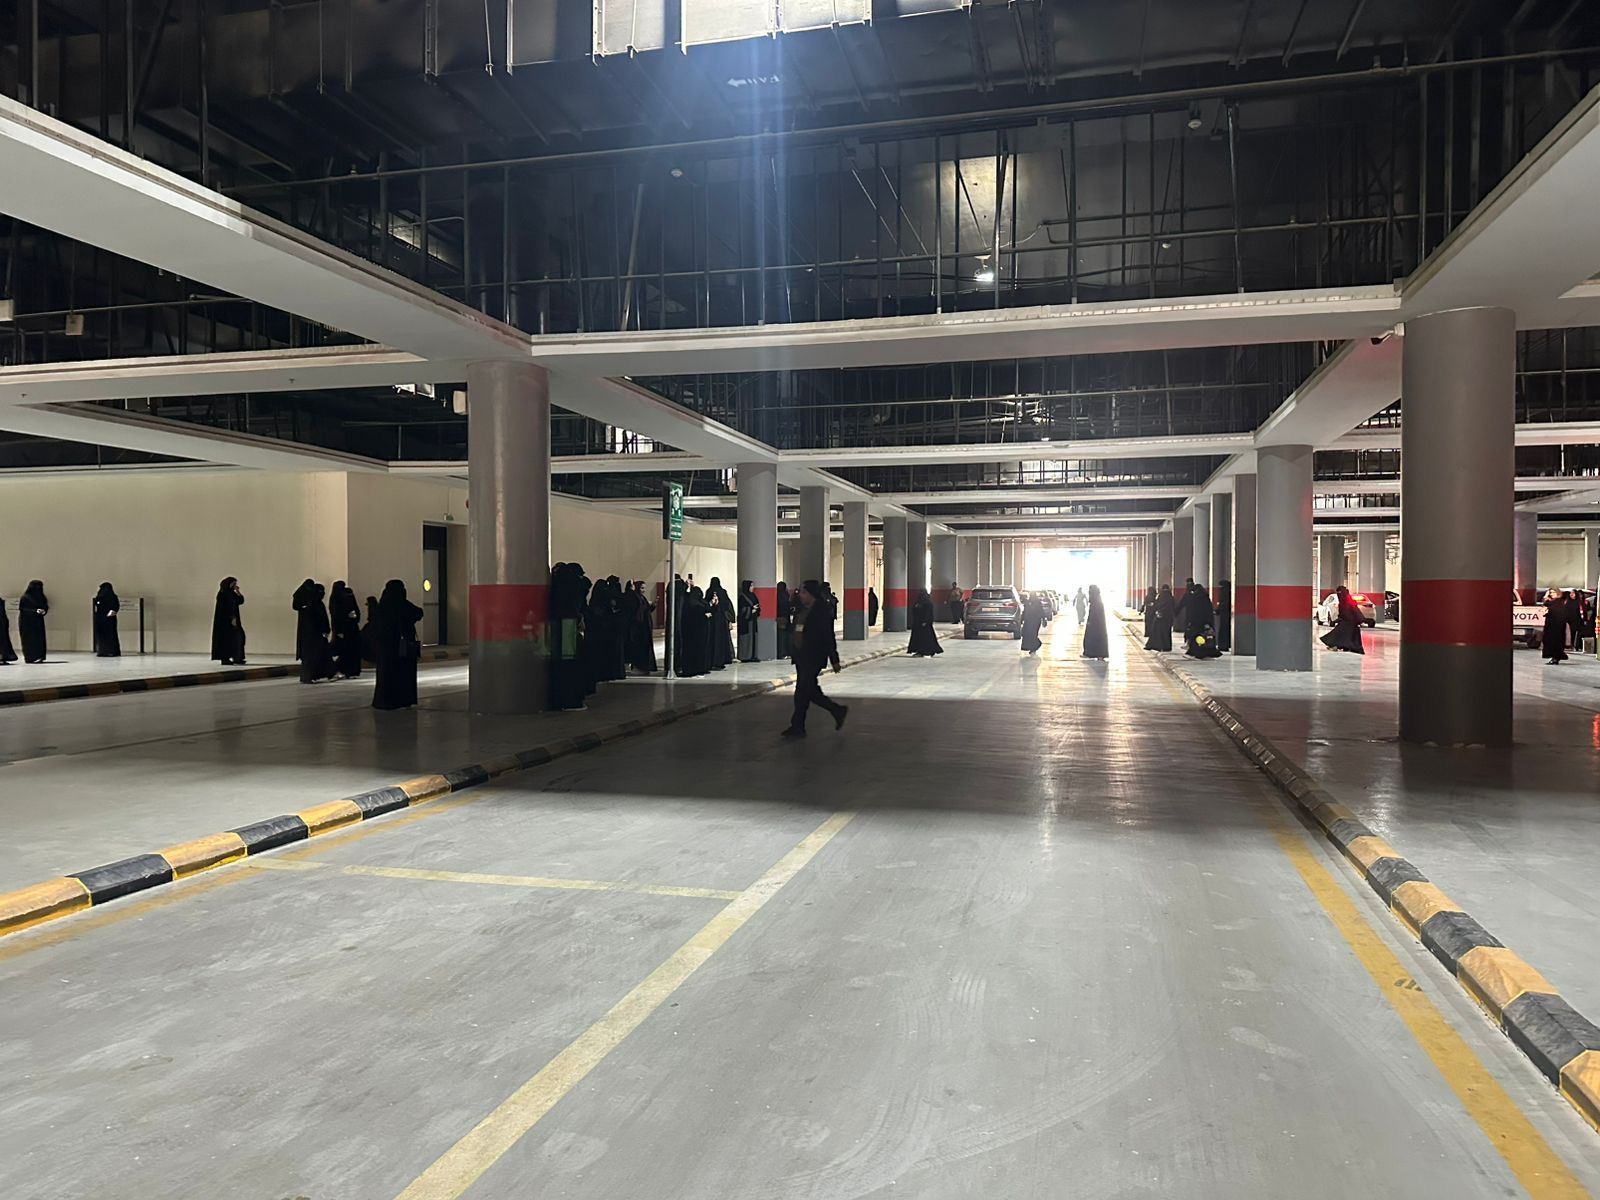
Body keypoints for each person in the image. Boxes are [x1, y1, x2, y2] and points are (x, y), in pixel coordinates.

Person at [783, 579, 847, 738]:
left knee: (803, 691)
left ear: (811, 594)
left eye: (803, 592)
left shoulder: (821, 612)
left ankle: (798, 725)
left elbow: (828, 636)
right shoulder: (801, 609)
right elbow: (798, 628)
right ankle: (836, 710)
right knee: (809, 691)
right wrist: (786, 626)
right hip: (801, 656)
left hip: (813, 656)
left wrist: (834, 659)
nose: (800, 595)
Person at [371, 579, 423, 709]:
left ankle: (385, 701)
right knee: (404, 673)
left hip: (385, 648)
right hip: (402, 646)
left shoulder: (383, 606)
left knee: (386, 674)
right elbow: (418, 613)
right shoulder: (403, 604)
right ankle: (403, 700)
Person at [548, 563, 590, 709]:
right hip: (569, 628)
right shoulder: (575, 587)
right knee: (570, 665)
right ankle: (571, 700)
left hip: (551, 628)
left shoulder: (553, 588)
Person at [296, 583, 334, 683]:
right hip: (315, 635)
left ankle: (313, 675)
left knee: (314, 656)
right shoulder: (315, 605)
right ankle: (310, 676)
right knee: (313, 656)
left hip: (310, 635)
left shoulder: (307, 606)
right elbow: (321, 619)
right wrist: (325, 630)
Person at [329, 581, 363, 678]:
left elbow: (354, 612)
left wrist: (353, 617)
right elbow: (337, 616)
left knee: (350, 650)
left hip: (349, 628)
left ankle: (350, 670)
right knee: (346, 651)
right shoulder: (337, 600)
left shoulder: (342, 597)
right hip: (345, 628)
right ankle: (344, 669)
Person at [1319, 584, 1365, 655]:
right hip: (1349, 622)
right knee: (1345, 634)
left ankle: (1336, 645)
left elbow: (1352, 611)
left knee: (1339, 633)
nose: (1338, 595)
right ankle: (1343, 646)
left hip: (1349, 622)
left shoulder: (1347, 601)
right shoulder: (1345, 601)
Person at [210, 578, 246, 665]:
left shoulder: (231, 593)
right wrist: (232, 618)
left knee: (239, 637)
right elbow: (227, 608)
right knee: (226, 639)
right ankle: (225, 658)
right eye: (233, 584)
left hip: (233, 619)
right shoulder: (223, 594)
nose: (235, 586)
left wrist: (238, 591)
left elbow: (240, 601)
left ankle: (237, 657)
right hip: (225, 622)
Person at [705, 577, 736, 670]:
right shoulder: (723, 592)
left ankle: (712, 659)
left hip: (712, 620)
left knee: (713, 639)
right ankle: (723, 658)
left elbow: (706, 603)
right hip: (721, 619)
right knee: (722, 639)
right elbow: (727, 605)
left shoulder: (709, 591)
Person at [1185, 583, 1222, 659]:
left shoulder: (1195, 598)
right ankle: (1206, 651)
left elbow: (1192, 611)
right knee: (1205, 637)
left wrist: (1190, 621)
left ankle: (1196, 652)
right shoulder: (1206, 598)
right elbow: (1209, 611)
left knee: (1196, 637)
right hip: (1206, 622)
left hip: (1196, 622)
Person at [907, 588, 944, 657]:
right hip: (917, 624)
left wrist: (925, 621)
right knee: (920, 638)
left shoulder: (928, 603)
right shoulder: (918, 602)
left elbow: (928, 613)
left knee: (925, 638)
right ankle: (921, 650)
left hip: (925, 624)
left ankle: (924, 651)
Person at [18, 580, 49, 663]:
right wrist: (35, 611)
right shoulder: (25, 597)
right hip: (26, 622)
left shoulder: (42, 597)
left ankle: (39, 656)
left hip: (38, 622)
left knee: (39, 639)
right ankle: (30, 657)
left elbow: (45, 606)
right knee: (29, 639)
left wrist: (44, 611)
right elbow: (23, 609)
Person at [93, 582, 122, 657]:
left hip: (106, 619)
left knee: (109, 635)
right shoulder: (102, 596)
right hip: (105, 619)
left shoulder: (105, 596)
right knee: (106, 636)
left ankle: (109, 651)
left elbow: (115, 607)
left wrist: (110, 613)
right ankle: (104, 651)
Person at [1541, 589, 1570, 665]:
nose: (1552, 594)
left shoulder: (1559, 602)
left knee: (1556, 641)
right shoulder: (1550, 602)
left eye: (1553, 592)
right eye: (1550, 592)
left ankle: (1556, 657)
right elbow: (1544, 608)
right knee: (1549, 640)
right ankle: (1555, 657)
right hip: (1550, 624)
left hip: (1557, 625)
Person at [1082, 584, 1109, 660]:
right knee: (1091, 639)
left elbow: (1096, 615)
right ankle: (1091, 654)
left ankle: (1098, 654)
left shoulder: (1096, 603)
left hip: (1096, 626)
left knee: (1095, 639)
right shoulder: (1096, 601)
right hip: (1094, 625)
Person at [1145, 584, 1175, 652]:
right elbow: (1173, 608)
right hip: (1168, 618)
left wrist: (1158, 612)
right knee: (1167, 633)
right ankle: (1167, 647)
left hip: (1159, 617)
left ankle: (1158, 646)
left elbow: (1156, 605)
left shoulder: (1160, 596)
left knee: (1157, 632)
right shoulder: (1171, 598)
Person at [737, 579, 761, 662]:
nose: (752, 587)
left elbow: (757, 605)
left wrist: (756, 609)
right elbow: (741, 610)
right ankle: (745, 656)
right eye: (751, 586)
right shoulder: (742, 597)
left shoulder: (753, 595)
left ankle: (753, 655)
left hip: (753, 621)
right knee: (746, 638)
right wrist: (750, 610)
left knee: (754, 637)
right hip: (745, 623)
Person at [775, 579, 792, 659]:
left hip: (779, 617)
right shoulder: (785, 595)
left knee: (781, 636)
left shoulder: (777, 595)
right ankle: (783, 652)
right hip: (785, 617)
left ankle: (781, 652)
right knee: (784, 636)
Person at [1214, 580, 1233, 654]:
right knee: (1226, 630)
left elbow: (1223, 604)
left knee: (1223, 630)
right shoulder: (1229, 593)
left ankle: (1222, 646)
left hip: (1224, 615)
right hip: (1227, 614)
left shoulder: (1224, 593)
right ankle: (1225, 645)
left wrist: (1218, 610)